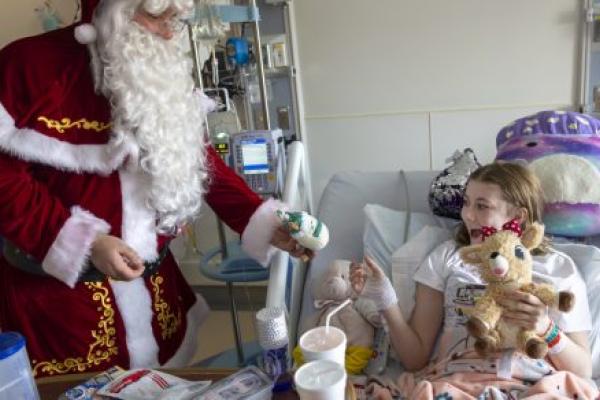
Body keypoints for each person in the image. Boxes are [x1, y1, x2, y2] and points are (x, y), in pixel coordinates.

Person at [0, 0, 309, 378]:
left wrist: (259, 218)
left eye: (174, 19)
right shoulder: (28, 66)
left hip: (156, 292)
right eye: (155, 16)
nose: (167, 32)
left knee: (165, 383)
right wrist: (85, 241)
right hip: (63, 310)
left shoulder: (161, 70)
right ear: (108, 11)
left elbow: (198, 158)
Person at [351, 162, 598, 399]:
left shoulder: (558, 268)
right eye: (466, 203)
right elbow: (415, 358)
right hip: (456, 382)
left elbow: (582, 370)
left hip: (533, 385)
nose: (467, 215)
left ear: (518, 216)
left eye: (482, 206)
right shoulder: (448, 257)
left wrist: (546, 327)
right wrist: (385, 298)